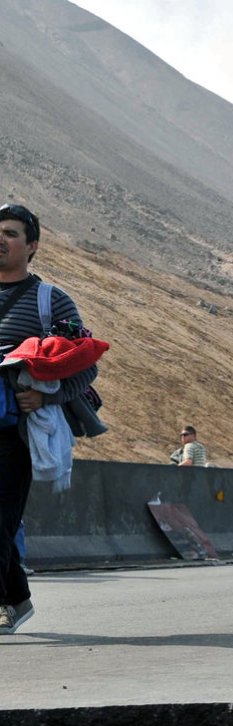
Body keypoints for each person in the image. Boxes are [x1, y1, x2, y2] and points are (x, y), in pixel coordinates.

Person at [0, 204, 97, 634]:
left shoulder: (50, 300)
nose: (0, 240)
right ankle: (16, 598)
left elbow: (86, 364)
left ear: (32, 245)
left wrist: (44, 395)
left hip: (13, 432)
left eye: (10, 233)